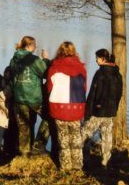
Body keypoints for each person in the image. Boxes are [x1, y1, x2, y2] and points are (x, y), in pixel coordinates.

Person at [46, 41, 87, 170]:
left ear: (59, 52)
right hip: (77, 106)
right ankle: (77, 164)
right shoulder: (81, 68)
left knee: (62, 137)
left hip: (59, 107)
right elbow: (84, 88)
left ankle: (65, 165)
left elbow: (49, 88)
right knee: (76, 136)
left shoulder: (53, 68)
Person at [8, 35, 51, 156]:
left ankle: (24, 152)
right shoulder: (33, 59)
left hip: (19, 97)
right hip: (33, 97)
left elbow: (11, 76)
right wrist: (46, 60)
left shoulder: (14, 59)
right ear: (29, 45)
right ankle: (38, 146)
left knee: (23, 125)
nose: (36, 48)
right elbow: (45, 73)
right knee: (49, 118)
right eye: (35, 45)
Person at [82, 48, 123, 167]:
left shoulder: (100, 73)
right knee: (106, 136)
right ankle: (105, 161)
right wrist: (114, 107)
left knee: (85, 133)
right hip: (110, 111)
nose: (96, 60)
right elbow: (119, 93)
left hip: (97, 111)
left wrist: (87, 112)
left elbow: (93, 94)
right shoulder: (117, 74)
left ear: (103, 59)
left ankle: (84, 158)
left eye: (97, 58)